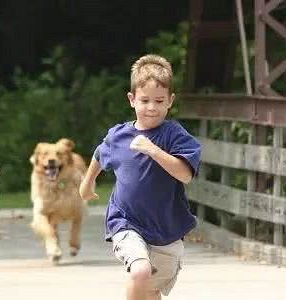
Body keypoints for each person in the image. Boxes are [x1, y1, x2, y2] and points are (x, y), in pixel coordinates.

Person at [79, 54, 201, 300]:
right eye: (145, 100)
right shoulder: (118, 136)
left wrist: (153, 150)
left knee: (151, 291)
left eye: (159, 100)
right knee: (140, 271)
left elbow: (185, 175)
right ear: (132, 99)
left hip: (166, 228)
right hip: (125, 222)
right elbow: (100, 154)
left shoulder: (175, 135)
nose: (152, 107)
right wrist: (87, 182)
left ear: (170, 101)